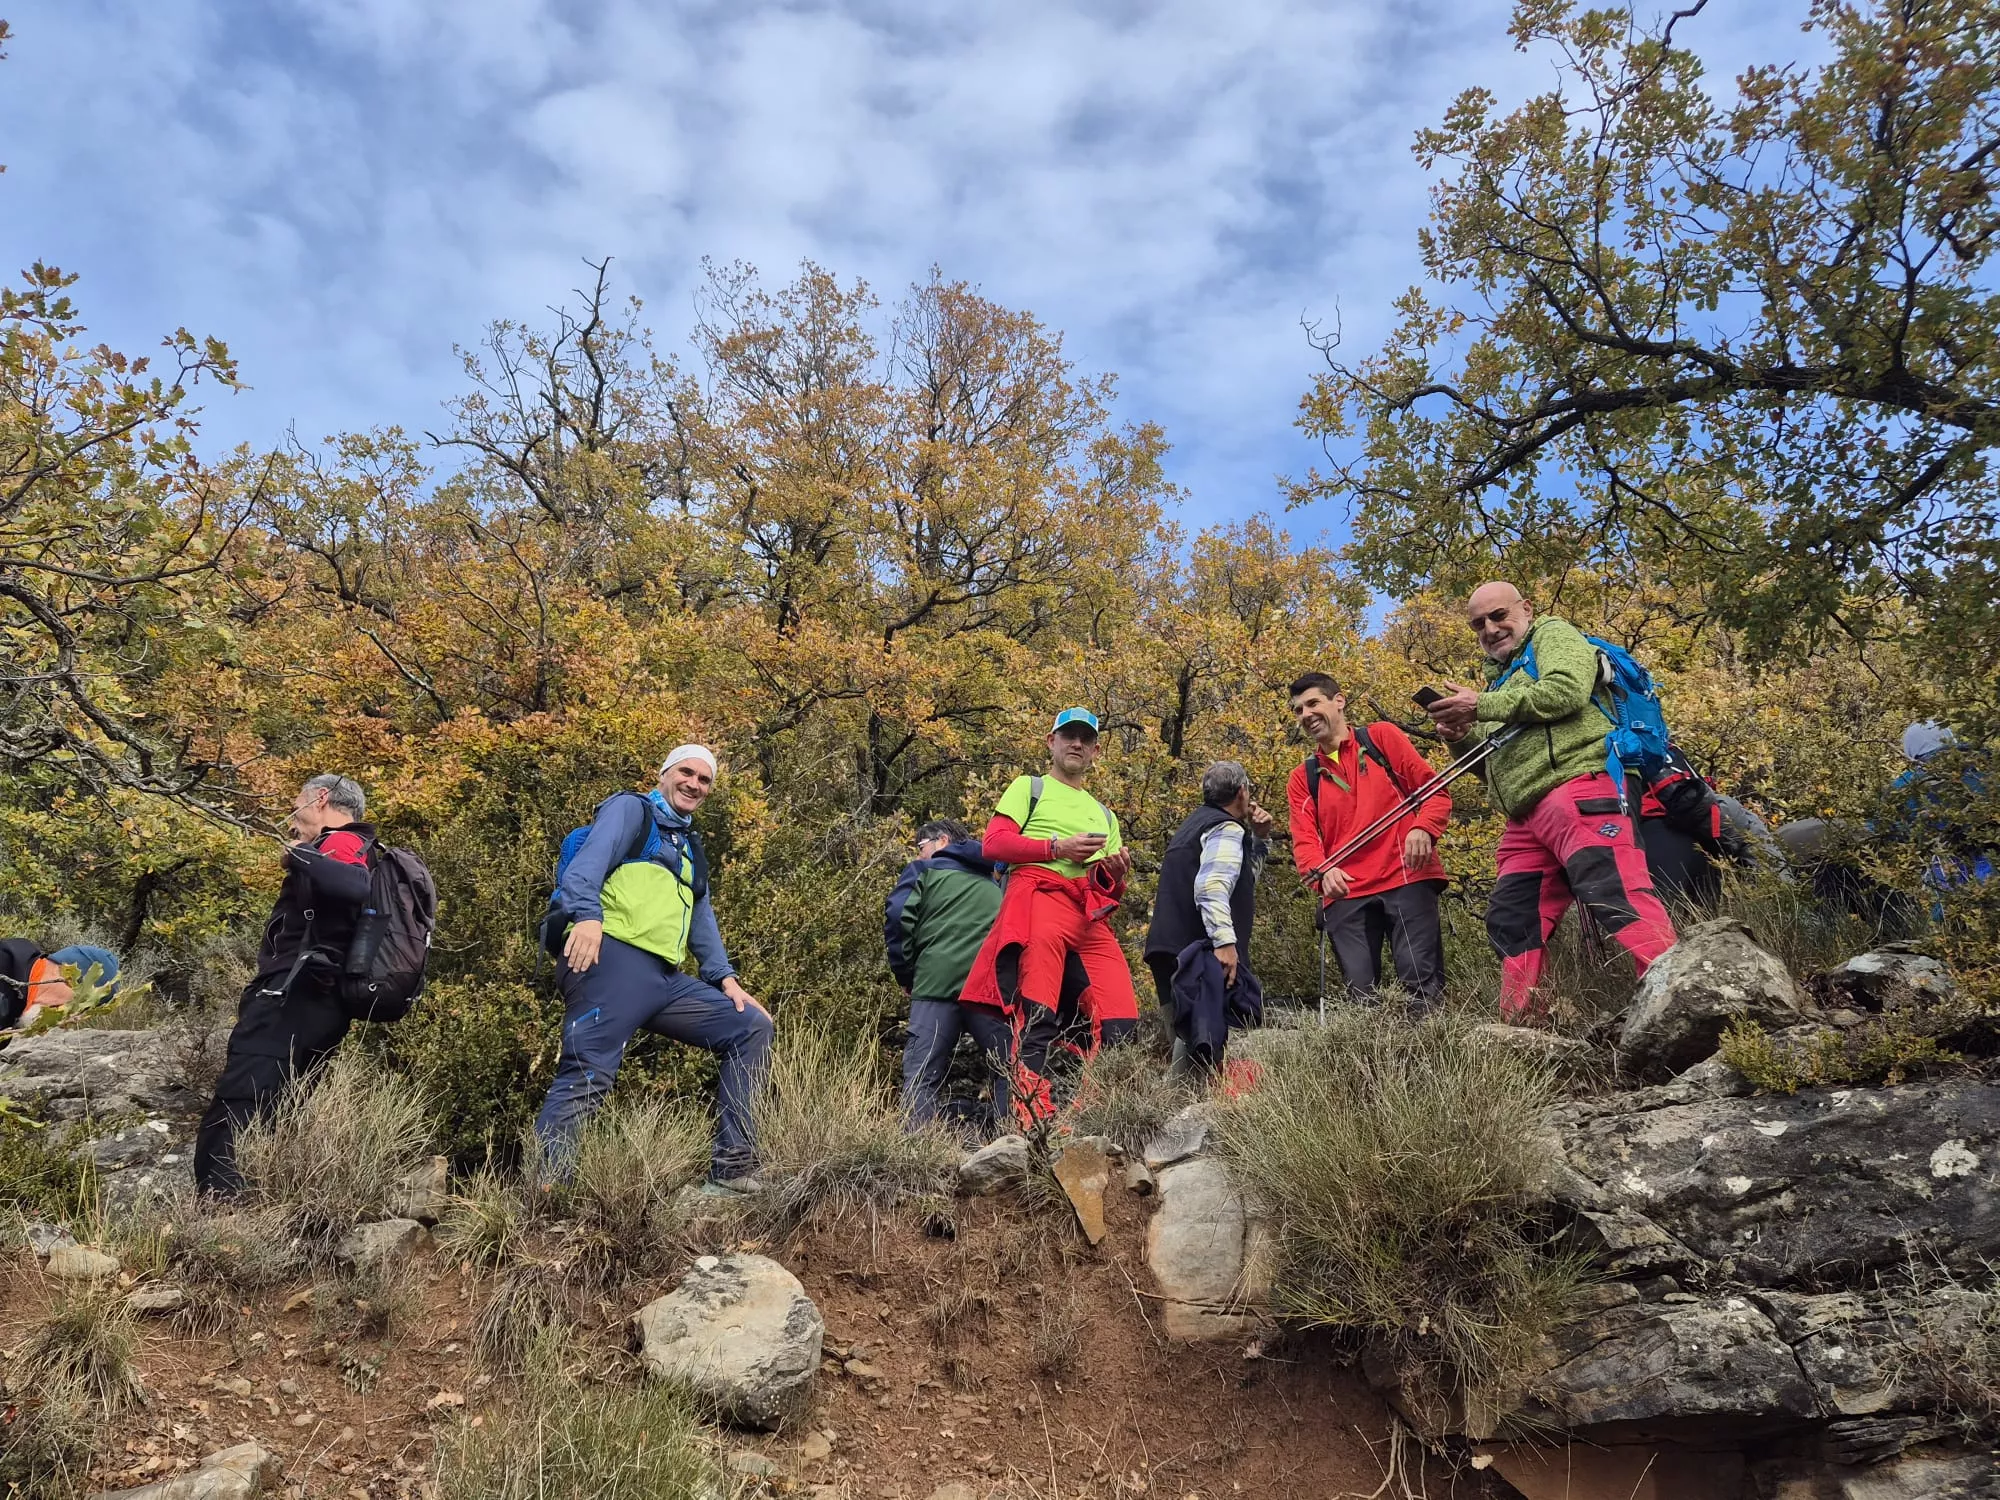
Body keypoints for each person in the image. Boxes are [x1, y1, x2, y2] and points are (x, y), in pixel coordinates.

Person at [1426, 583, 1678, 1022]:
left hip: (1581, 784)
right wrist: (1460, 735)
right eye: (1479, 624)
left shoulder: (1553, 634)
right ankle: (1525, 1022)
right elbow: (1490, 767)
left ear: (1526, 608)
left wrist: (1481, 704)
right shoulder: (1500, 680)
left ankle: (1677, 1000)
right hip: (1525, 817)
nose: (1490, 628)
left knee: (1614, 890)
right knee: (1512, 915)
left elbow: (1566, 692)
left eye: (1498, 615)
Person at [534, 744, 774, 1194]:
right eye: (687, 772)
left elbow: (701, 916)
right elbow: (588, 865)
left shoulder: (689, 845)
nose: (694, 784)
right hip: (610, 959)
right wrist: (587, 916)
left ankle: (733, 1166)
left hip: (665, 979)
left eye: (705, 780)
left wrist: (725, 978)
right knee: (588, 1075)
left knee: (750, 1026)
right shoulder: (632, 810)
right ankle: (547, 1195)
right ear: (664, 772)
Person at [195, 774, 375, 1195]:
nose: (291, 820)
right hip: (319, 999)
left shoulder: (341, 842)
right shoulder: (343, 846)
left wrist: (300, 856)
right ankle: (254, 1204)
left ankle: (217, 1207)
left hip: (294, 995)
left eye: (296, 806)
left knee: (241, 1097)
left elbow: (353, 884)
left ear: (322, 799)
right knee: (278, 1105)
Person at [962, 707, 1138, 1126]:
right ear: (1052, 742)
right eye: (1068, 735)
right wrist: (1056, 848)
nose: (1076, 743)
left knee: (1121, 1019)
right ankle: (1029, 1122)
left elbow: (1106, 886)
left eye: (1085, 739)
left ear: (1095, 750)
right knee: (1037, 1013)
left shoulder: (1105, 815)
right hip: (1039, 900)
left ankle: (1093, 1119)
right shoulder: (1029, 787)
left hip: (1088, 916)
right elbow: (994, 844)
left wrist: (1113, 875)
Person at [1285, 672, 1453, 1009]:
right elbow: (1304, 840)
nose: (1306, 715)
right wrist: (1321, 872)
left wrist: (1424, 828)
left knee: (1421, 984)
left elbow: (1434, 792)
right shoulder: (1302, 778)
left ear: (1339, 700)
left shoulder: (1381, 738)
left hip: (1405, 875)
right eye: (1299, 710)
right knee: (1361, 999)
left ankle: (1433, 1058)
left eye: (1313, 703)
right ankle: (1373, 1063)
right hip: (1346, 890)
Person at [884, 819, 1014, 1133]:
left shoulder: (923, 872)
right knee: (1009, 1071)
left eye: (920, 846)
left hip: (935, 986)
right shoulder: (994, 879)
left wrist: (906, 973)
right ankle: (1014, 1144)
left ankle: (916, 1156)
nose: (917, 855)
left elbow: (899, 917)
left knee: (922, 1074)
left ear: (941, 840)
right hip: (988, 988)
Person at [1142, 761, 1272, 1075]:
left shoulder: (1193, 826)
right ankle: (1184, 1119)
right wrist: (1226, 943)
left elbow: (1238, 880)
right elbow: (1213, 886)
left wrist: (1260, 840)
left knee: (1187, 1038)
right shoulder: (1225, 828)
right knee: (1202, 1049)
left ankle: (1173, 1115)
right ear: (1242, 792)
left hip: (1169, 951)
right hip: (1200, 954)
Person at [0, 942, 121, 1031]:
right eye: (79, 1001)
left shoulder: (16, 1010)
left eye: (84, 1010)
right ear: (66, 974)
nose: (73, 1017)